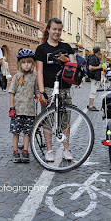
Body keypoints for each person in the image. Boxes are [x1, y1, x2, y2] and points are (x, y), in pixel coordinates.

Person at [35, 18, 76, 162]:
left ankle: (66, 150)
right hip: (48, 86)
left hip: (64, 88)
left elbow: (73, 65)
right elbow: (39, 71)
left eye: (59, 29)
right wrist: (41, 91)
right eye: (54, 29)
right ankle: (49, 151)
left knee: (65, 120)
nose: (57, 32)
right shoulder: (42, 49)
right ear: (48, 29)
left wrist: (68, 61)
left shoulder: (66, 47)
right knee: (48, 120)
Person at [8, 49, 38, 163]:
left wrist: (42, 97)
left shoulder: (34, 77)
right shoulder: (17, 76)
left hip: (30, 111)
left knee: (27, 132)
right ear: (20, 64)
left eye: (29, 62)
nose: (26, 64)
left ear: (33, 64)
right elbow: (12, 93)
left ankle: (25, 151)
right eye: (24, 62)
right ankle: (15, 151)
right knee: (15, 132)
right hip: (17, 110)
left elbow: (37, 92)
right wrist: (12, 108)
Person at [87, 47, 102, 111]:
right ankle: (91, 105)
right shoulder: (93, 58)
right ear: (98, 51)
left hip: (95, 77)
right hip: (94, 77)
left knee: (94, 90)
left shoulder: (95, 57)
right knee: (93, 91)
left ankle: (90, 104)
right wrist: (98, 67)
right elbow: (90, 67)